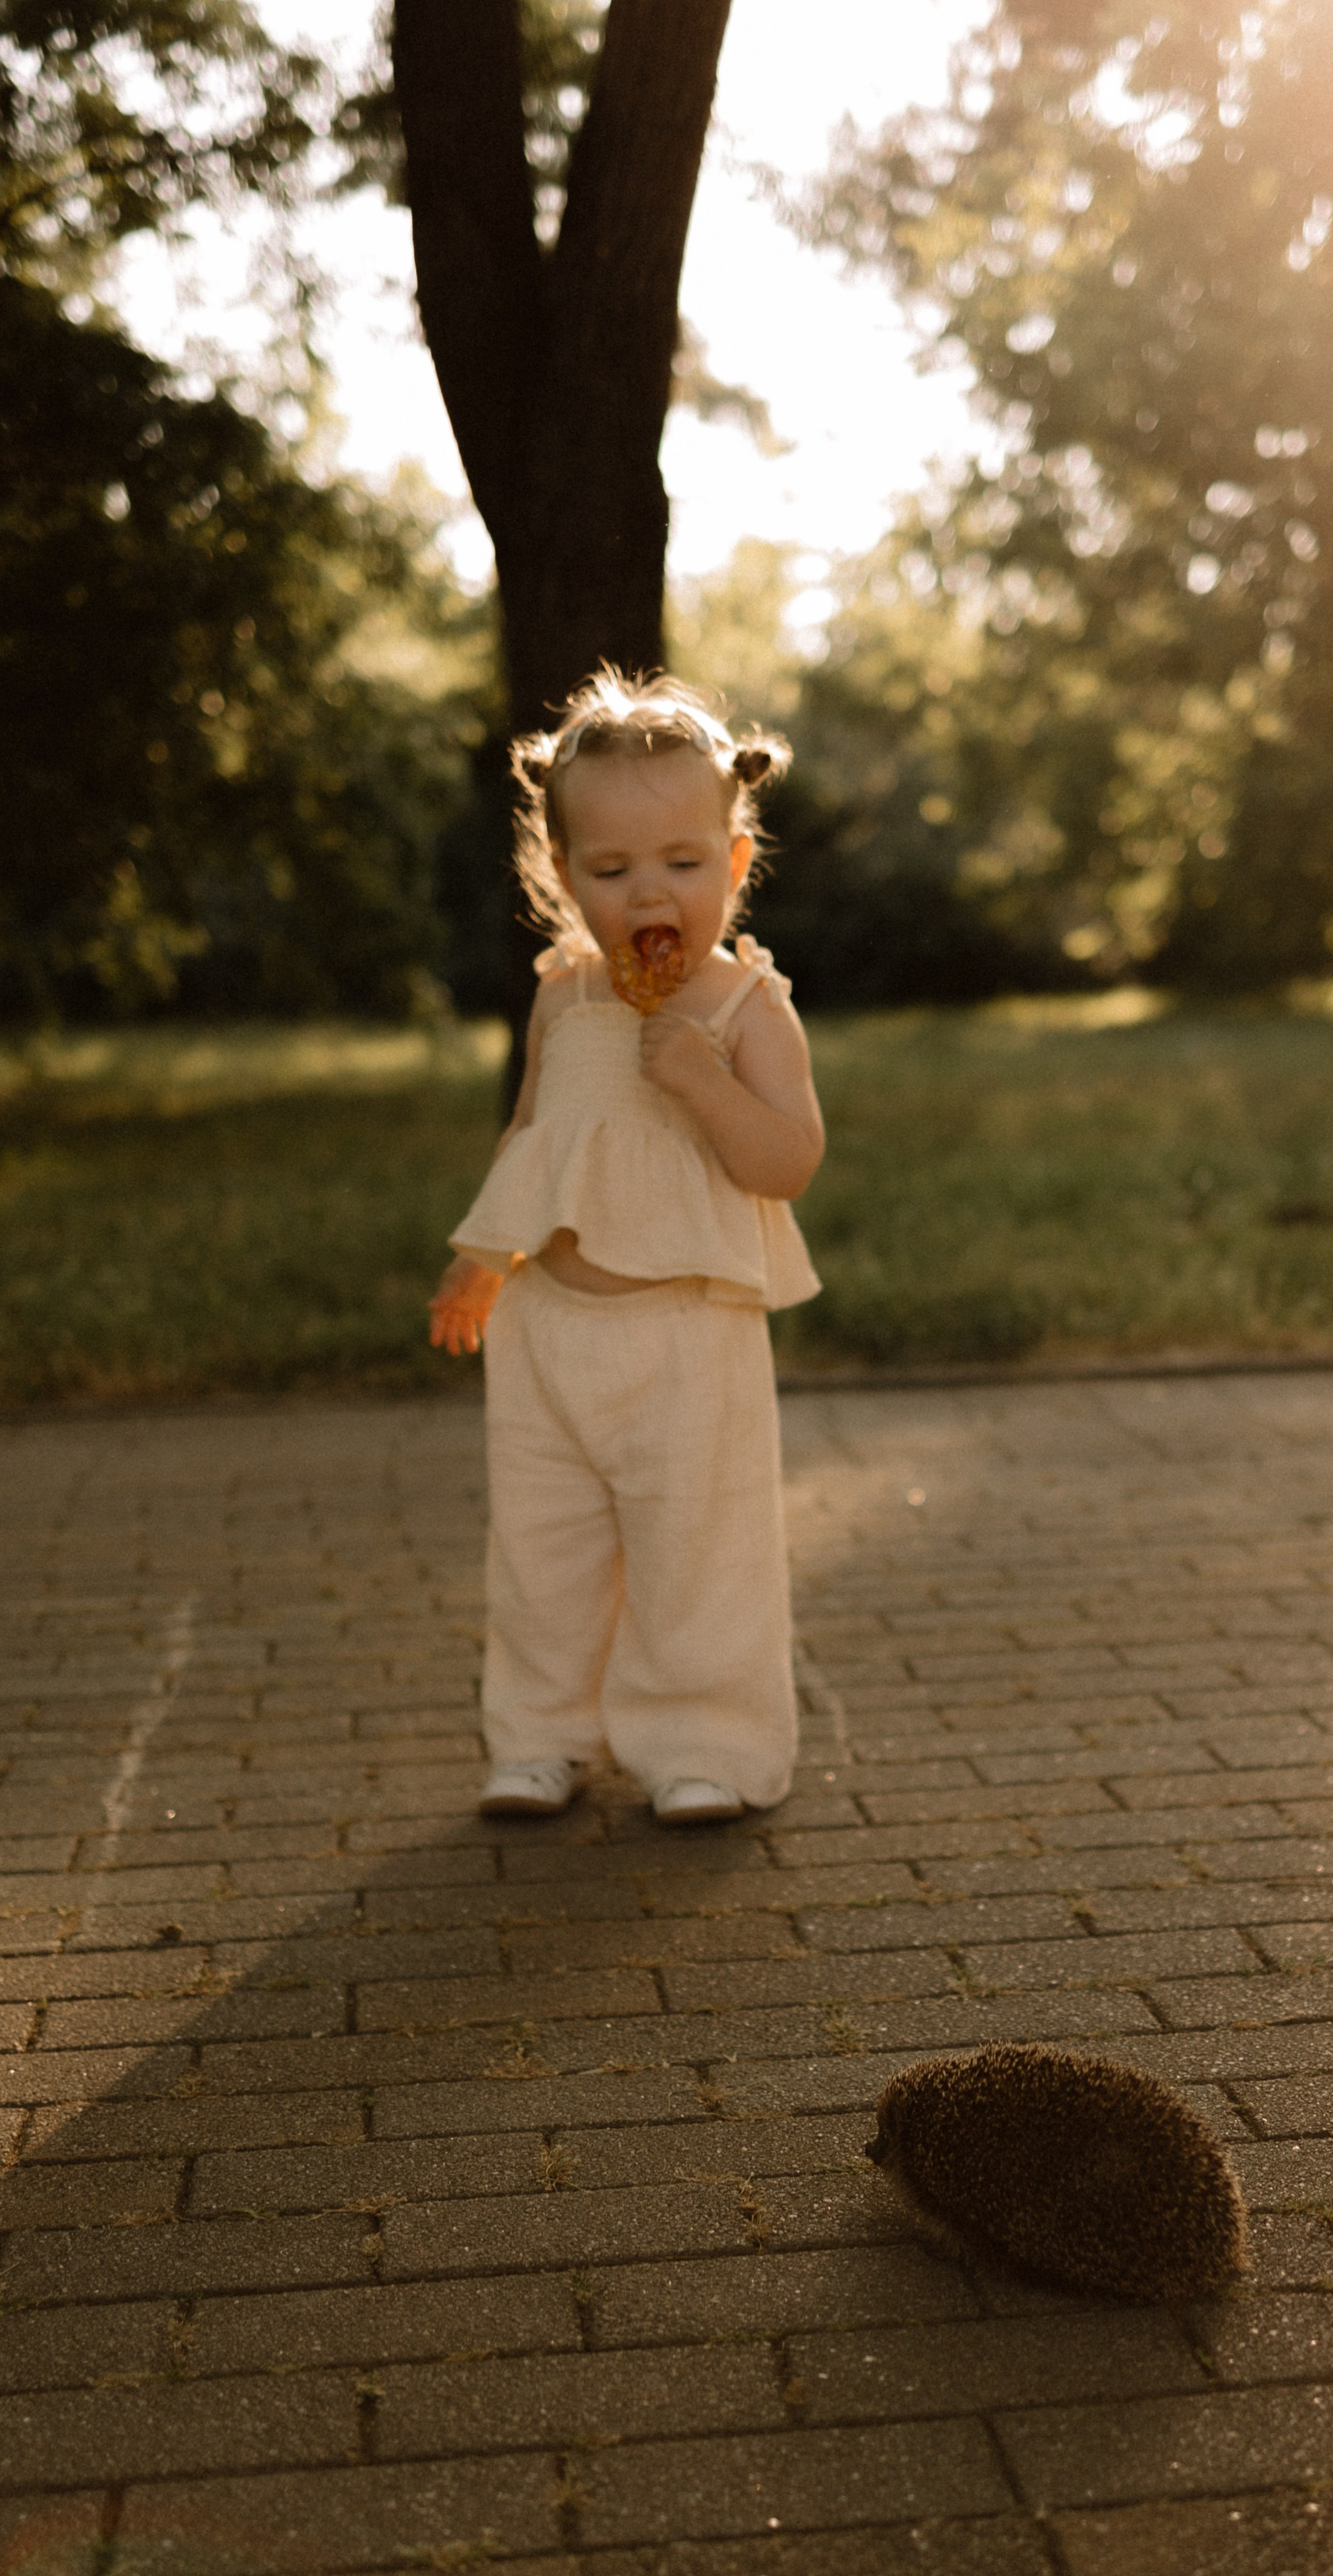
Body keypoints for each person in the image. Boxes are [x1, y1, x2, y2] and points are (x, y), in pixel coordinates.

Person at [428, 669, 823, 1828]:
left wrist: (704, 1079)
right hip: (553, 1327)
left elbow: (788, 1161)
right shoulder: (563, 996)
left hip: (688, 1332)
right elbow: (532, 1138)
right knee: (542, 1552)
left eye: (684, 864)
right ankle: (542, 1735)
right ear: (562, 875)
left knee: (697, 1550)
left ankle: (706, 1745)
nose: (652, 891)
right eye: (612, 870)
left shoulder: (748, 1008)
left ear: (735, 864)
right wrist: (483, 1257)